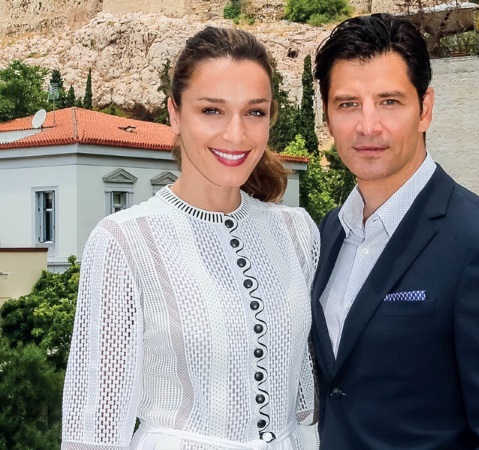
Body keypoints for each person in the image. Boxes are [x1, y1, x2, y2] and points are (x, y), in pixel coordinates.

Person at [62, 26, 319, 450]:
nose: (236, 134)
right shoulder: (124, 241)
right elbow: (94, 431)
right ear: (175, 113)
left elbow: (305, 400)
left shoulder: (297, 232)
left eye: (254, 112)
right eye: (212, 110)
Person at [311, 14, 479, 449]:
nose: (368, 126)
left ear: (425, 109)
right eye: (347, 104)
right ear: (326, 116)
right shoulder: (328, 233)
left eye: (389, 101)